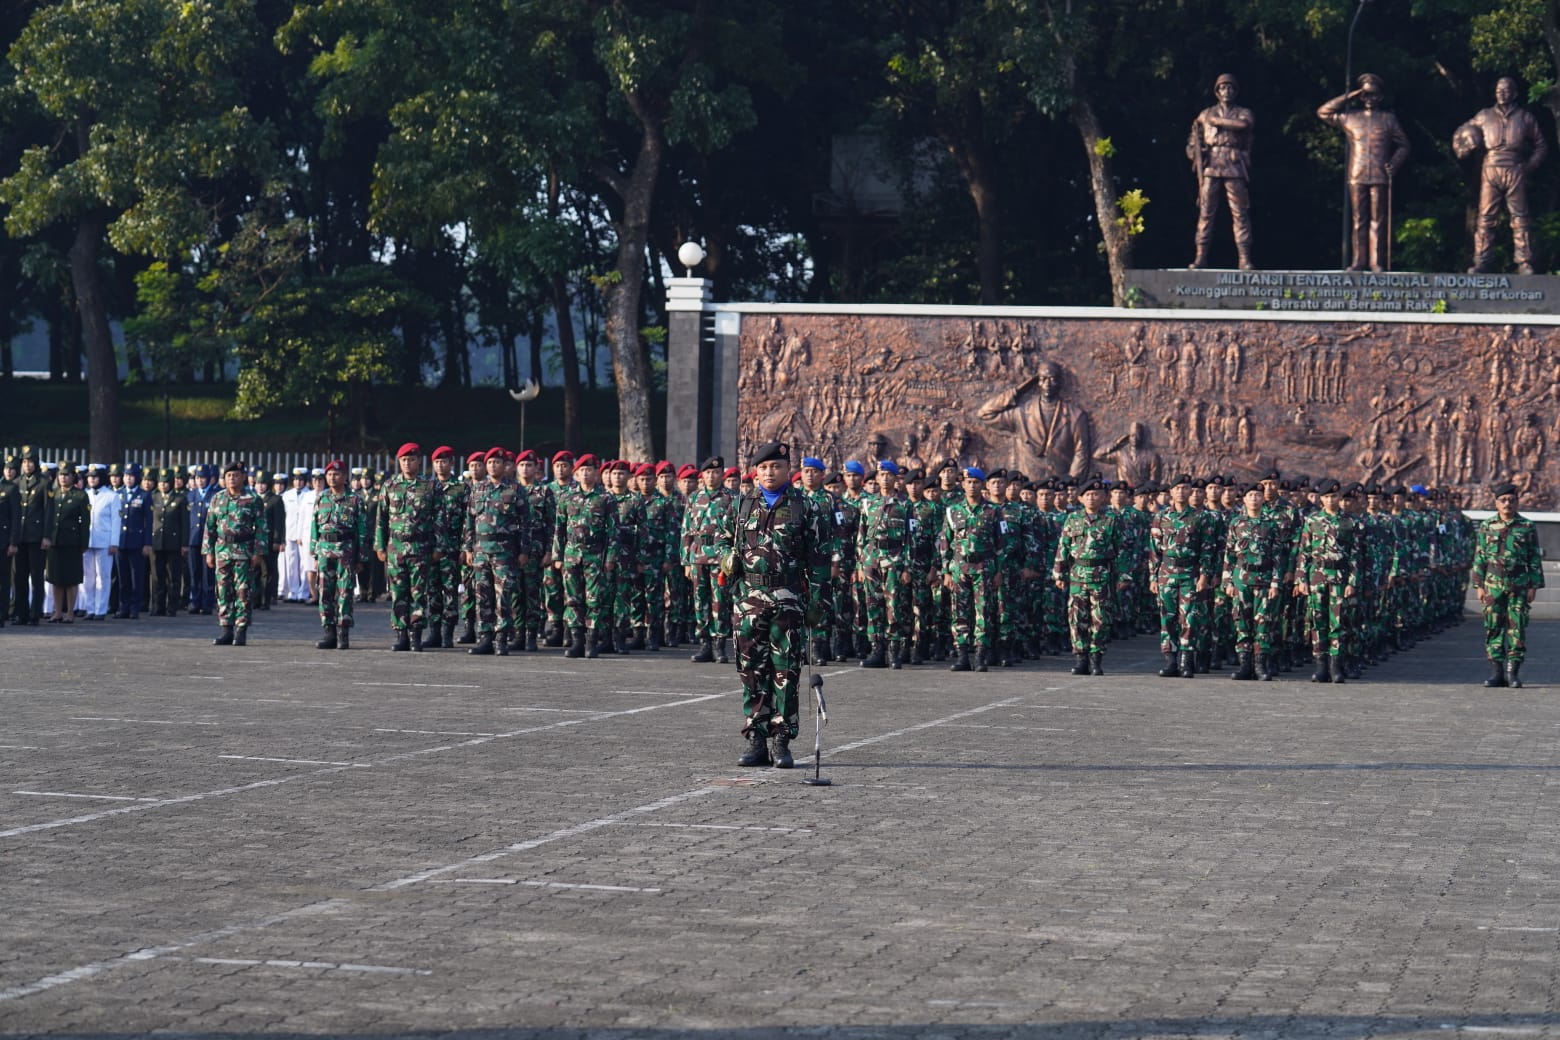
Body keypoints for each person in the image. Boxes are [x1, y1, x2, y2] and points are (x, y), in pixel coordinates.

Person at [724, 441, 830, 768]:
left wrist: (818, 602)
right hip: (749, 600)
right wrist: (725, 559)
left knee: (786, 671)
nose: (770, 472)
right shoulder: (742, 504)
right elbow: (723, 541)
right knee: (751, 671)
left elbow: (820, 558)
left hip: (788, 599)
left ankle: (782, 739)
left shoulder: (804, 506)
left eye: (777, 467)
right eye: (764, 467)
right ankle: (756, 738)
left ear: (788, 470)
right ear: (756, 471)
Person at [1456, 77, 1549, 275]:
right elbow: (1462, 132)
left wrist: (1530, 165)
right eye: (1499, 90)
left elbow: (1541, 145)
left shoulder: (1525, 117)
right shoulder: (1484, 115)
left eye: (1506, 90)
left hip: (1515, 168)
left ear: (1514, 93)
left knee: (1520, 217)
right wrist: (1463, 146)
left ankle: (1525, 261)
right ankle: (1482, 261)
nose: (1502, 93)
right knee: (1486, 217)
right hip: (1490, 168)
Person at [1318, 74, 1410, 272]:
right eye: (1366, 95)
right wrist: (1351, 95)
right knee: (1359, 219)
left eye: (1374, 94)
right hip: (1357, 173)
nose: (1370, 99)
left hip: (1380, 174)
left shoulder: (1388, 119)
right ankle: (1359, 261)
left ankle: (1376, 261)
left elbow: (1404, 145)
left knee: (1378, 219)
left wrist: (1394, 163)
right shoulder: (1350, 117)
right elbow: (1323, 112)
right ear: (1361, 96)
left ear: (1380, 97)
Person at [1471, 481, 1545, 688]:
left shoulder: (1527, 526)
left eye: (1511, 501)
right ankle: (1496, 673)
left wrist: (1533, 586)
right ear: (1496, 503)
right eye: (1503, 501)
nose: (1507, 504)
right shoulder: (1487, 526)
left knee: (1517, 627)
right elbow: (1480, 557)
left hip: (1519, 585)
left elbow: (1534, 558)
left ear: (1517, 502)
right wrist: (1479, 585)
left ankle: (1513, 673)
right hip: (1493, 585)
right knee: (1493, 627)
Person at [1052, 477, 1128, 676]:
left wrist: (1123, 576)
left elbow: (1122, 549)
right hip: (1077, 575)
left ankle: (1096, 658)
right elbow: (1064, 547)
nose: (1092, 498)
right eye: (1088, 495)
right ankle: (1080, 658)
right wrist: (1059, 572)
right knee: (1076, 619)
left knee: (1100, 619)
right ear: (1080, 498)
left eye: (1096, 494)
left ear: (1103, 497)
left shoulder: (1111, 520)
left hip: (1101, 576)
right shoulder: (1073, 519)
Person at [976, 360, 1094, 479]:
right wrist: (1018, 391)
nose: (1047, 384)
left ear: (1060, 382)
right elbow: (985, 414)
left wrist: (1071, 482)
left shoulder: (1076, 416)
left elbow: (1081, 453)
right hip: (1028, 485)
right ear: (1037, 383)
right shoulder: (1022, 413)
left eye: (1052, 379)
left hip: (1059, 487)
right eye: (1043, 379)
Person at [1149, 474, 1218, 679]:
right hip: (1166, 573)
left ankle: (1186, 661)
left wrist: (1205, 575)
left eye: (1185, 488)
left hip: (1190, 574)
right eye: (1177, 488)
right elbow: (1154, 551)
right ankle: (1170, 661)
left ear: (1191, 492)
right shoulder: (1161, 517)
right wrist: (1153, 577)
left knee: (1189, 617)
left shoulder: (1202, 517)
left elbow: (1207, 549)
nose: (1181, 492)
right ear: (1171, 492)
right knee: (1167, 617)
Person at [551, 453, 618, 658]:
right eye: (582, 471)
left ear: (597, 473)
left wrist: (610, 558)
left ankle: (591, 641)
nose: (586, 474)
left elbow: (614, 531)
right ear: (576, 474)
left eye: (590, 470)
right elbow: (559, 529)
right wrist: (557, 556)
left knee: (594, 600)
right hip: (571, 555)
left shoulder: (606, 498)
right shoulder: (567, 497)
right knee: (572, 599)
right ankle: (576, 641)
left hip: (595, 556)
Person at [1293, 479, 1360, 683]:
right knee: (1317, 621)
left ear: (1339, 498)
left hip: (1339, 577)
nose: (1331, 500)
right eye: (1327, 497)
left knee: (1337, 623)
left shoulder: (1350, 522)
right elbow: (1304, 552)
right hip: (1317, 577)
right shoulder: (1312, 520)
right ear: (1321, 499)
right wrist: (1301, 579)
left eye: (1334, 496)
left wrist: (1352, 582)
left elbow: (1355, 555)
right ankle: (1320, 666)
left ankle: (1336, 666)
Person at [465, 447, 530, 656]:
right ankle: (485, 637)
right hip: (481, 551)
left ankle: (501, 638)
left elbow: (525, 523)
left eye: (497, 462)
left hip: (505, 552)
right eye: (490, 462)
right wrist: (468, 548)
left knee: (504, 596)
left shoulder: (515, 490)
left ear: (505, 466)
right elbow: (469, 521)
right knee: (482, 595)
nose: (493, 466)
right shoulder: (477, 489)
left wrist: (524, 551)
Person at [1187, 73, 1255, 270]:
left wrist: (1218, 122)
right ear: (1217, 91)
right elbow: (1193, 140)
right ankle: (1200, 256)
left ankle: (1244, 258)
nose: (1227, 91)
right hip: (1212, 165)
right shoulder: (1205, 114)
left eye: (1231, 88)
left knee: (1240, 213)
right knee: (1206, 212)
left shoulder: (1243, 112)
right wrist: (1194, 152)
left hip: (1234, 164)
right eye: (1223, 88)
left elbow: (1244, 125)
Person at [1222, 481, 1288, 681]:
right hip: (1241, 579)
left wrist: (1276, 582)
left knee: (1263, 623)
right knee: (1241, 622)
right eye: (1250, 495)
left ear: (1263, 499)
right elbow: (1229, 555)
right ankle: (1245, 665)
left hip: (1265, 579)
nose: (1254, 499)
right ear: (1244, 499)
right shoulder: (1236, 524)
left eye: (1258, 496)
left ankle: (1260, 665)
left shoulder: (1271, 525)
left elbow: (1278, 556)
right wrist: (1228, 582)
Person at [941, 466, 1002, 672]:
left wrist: (999, 571)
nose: (972, 485)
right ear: (963, 484)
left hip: (983, 567)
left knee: (983, 611)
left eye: (976, 482)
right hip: (959, 567)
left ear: (981, 484)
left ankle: (980, 656)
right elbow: (944, 542)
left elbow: (1001, 544)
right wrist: (946, 571)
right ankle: (962, 655)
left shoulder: (993, 511)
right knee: (959, 611)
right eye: (968, 482)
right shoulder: (953, 511)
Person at [203, 461, 265, 646]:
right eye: (229, 475)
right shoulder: (218, 498)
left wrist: (258, 552)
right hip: (222, 550)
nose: (232, 478)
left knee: (243, 592)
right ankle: (226, 629)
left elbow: (261, 528)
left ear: (243, 477)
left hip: (244, 551)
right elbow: (210, 526)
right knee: (223, 591)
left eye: (236, 475)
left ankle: (241, 630)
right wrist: (208, 551)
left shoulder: (253, 499)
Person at [681, 455, 734, 664]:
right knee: (699, 601)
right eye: (708, 472)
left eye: (715, 472)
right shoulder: (694, 497)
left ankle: (719, 645)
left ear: (721, 474)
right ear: (703, 475)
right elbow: (686, 530)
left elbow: (736, 530)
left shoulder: (731, 497)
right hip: (697, 556)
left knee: (720, 602)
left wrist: (731, 558)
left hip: (719, 557)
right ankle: (704, 644)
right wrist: (686, 560)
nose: (711, 476)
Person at [11, 447, 54, 625]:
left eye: (30, 462)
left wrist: (46, 536)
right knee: (19, 577)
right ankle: (21, 613)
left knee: (36, 577)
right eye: (24, 462)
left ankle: (35, 613)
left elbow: (49, 512)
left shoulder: (44, 483)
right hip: (20, 537)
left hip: (36, 537)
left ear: (36, 463)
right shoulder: (16, 482)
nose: (27, 465)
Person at [44, 463, 89, 622]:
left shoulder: (80, 496)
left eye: (67, 475)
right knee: (55, 578)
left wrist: (84, 542)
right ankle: (57, 611)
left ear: (73, 477)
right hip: (54, 541)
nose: (63, 477)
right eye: (61, 475)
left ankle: (70, 612)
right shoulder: (53, 494)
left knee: (71, 579)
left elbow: (85, 522)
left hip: (72, 542)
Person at [149, 468, 190, 616]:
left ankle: (172, 606)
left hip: (173, 543)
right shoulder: (154, 497)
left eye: (166, 482)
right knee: (157, 577)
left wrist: (184, 544)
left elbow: (185, 524)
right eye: (161, 482)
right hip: (157, 542)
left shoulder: (180, 499)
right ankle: (157, 606)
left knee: (173, 576)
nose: (163, 485)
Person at [81, 464, 116, 621]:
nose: (91, 479)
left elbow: (116, 521)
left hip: (104, 542)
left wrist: (114, 542)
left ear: (102, 477)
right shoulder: (85, 495)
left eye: (95, 476)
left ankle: (100, 609)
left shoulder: (111, 496)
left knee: (103, 576)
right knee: (88, 577)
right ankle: (90, 608)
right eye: (89, 476)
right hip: (87, 541)